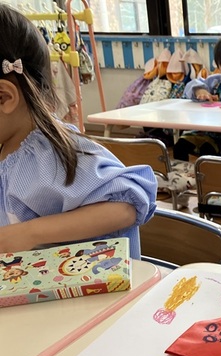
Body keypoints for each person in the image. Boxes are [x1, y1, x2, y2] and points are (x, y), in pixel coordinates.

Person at [0, 5, 157, 259]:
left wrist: (30, 233)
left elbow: (126, 205)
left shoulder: (50, 153)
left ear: (5, 97)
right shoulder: (7, 147)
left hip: (91, 282)